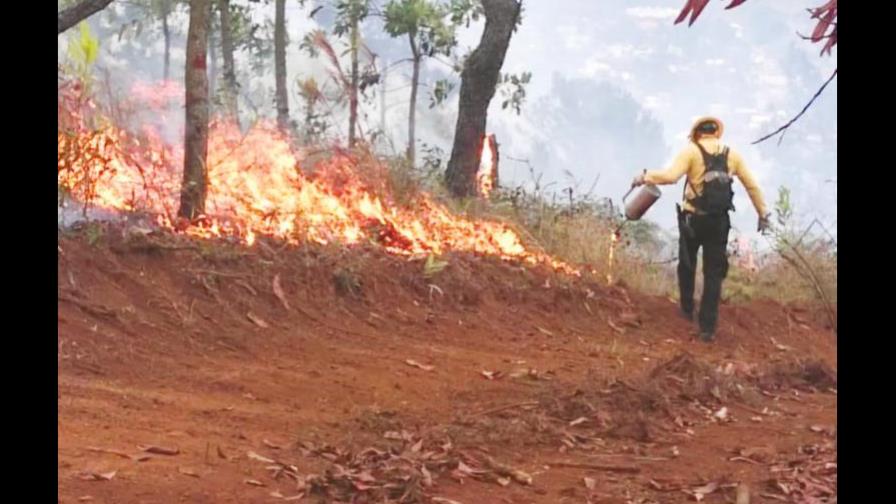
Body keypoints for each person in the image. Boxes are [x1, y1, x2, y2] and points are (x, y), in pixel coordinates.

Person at [631, 117, 770, 342]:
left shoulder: (691, 152)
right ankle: (707, 328)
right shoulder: (731, 155)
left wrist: (644, 176)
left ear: (697, 133)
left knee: (687, 263)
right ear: (716, 133)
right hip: (719, 222)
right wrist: (763, 214)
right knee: (713, 273)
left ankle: (686, 310)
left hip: (693, 220)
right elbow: (751, 185)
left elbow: (670, 177)